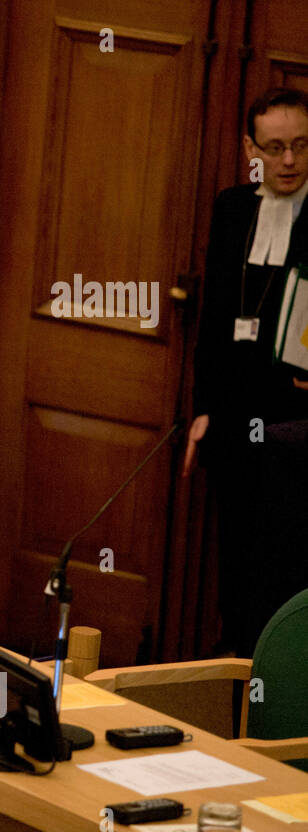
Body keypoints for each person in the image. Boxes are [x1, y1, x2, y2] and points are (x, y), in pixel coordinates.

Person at [184, 87, 308, 656]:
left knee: (285, 568)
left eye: (302, 146)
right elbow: (212, 315)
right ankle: (234, 681)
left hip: (297, 424)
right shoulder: (232, 207)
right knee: (236, 567)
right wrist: (203, 409)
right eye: (276, 147)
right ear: (249, 148)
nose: (289, 161)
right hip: (236, 419)